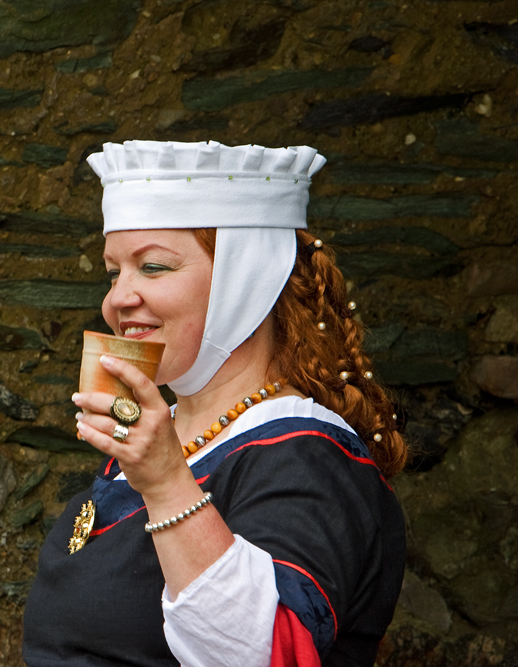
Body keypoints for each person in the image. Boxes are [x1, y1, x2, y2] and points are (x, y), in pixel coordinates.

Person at [22, 140, 407, 667]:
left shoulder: (306, 453)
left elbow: (271, 653)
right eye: (115, 272)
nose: (118, 298)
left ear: (243, 279)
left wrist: (164, 483)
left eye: (153, 267)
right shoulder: (163, 437)